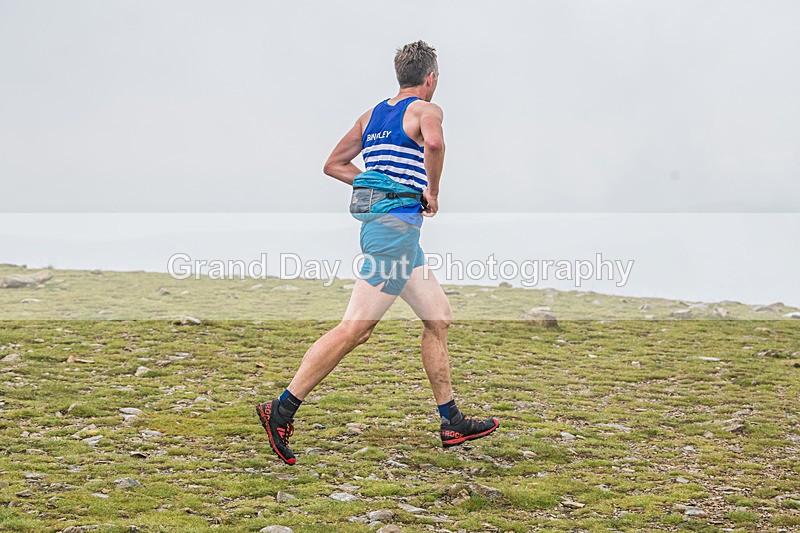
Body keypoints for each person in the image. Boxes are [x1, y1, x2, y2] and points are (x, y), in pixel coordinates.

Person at [256, 40, 499, 465]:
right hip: (394, 234)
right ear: (431, 79)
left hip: (394, 233)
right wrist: (432, 191)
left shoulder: (371, 116)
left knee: (438, 316)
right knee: (355, 329)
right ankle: (281, 409)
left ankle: (451, 421)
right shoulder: (427, 111)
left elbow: (334, 164)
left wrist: (379, 186)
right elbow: (436, 146)